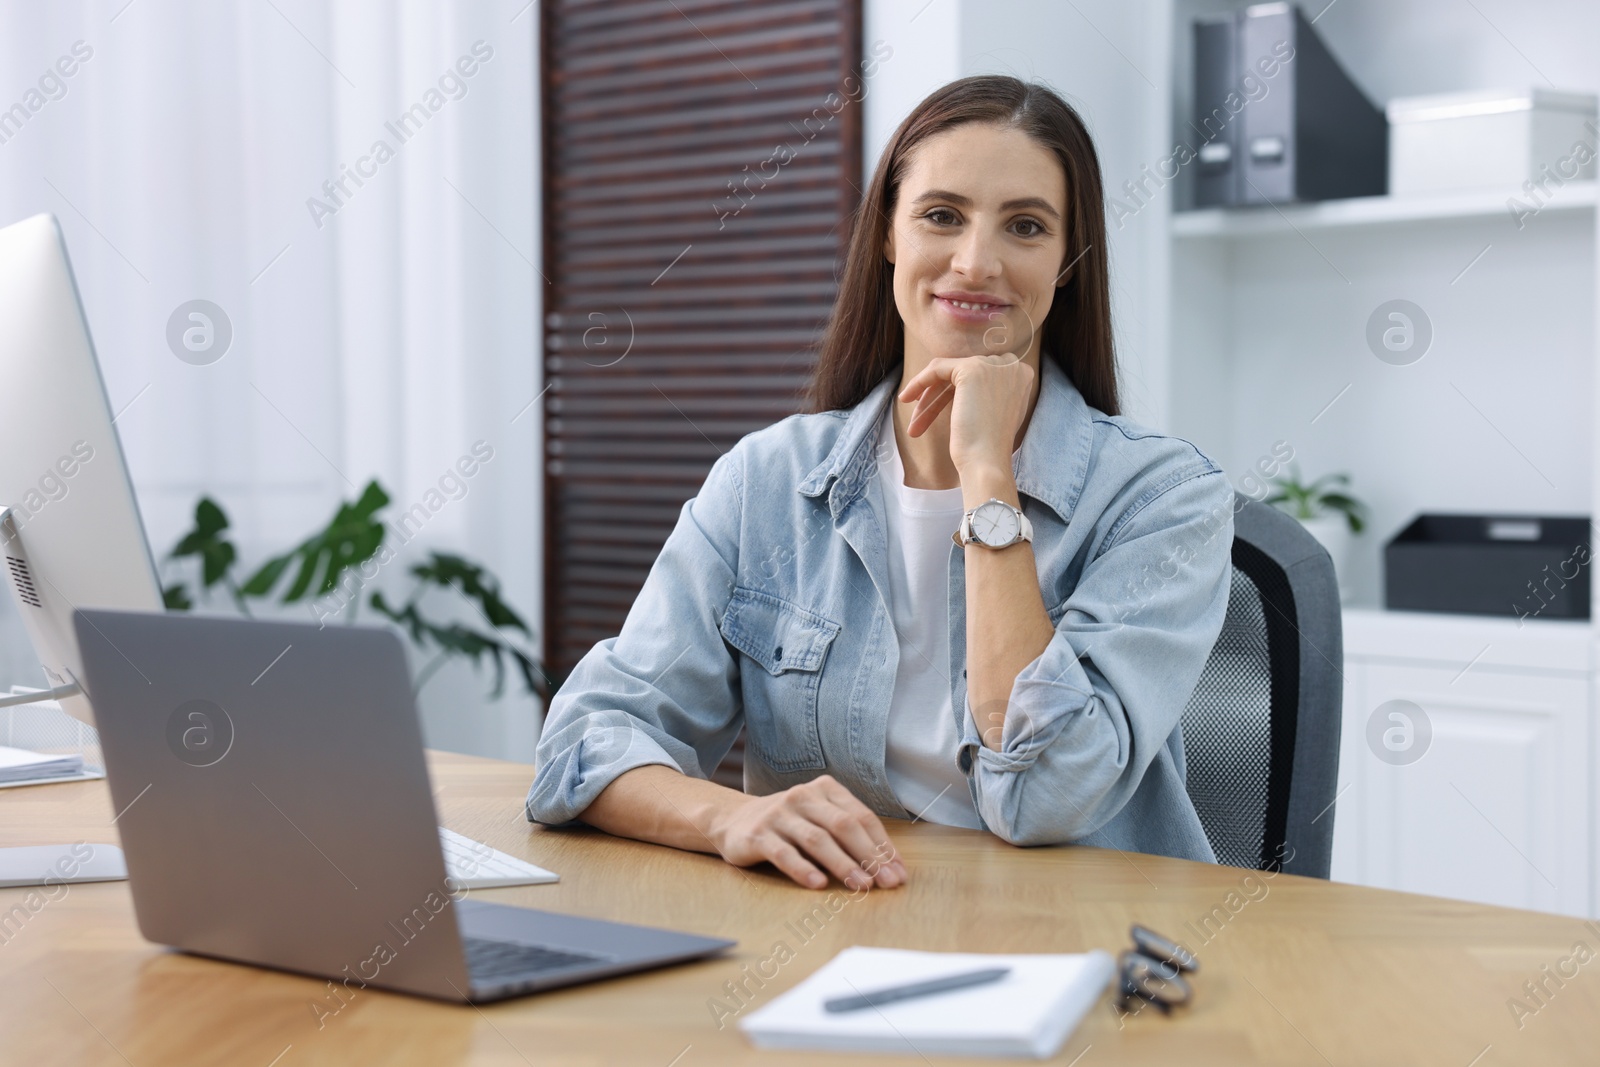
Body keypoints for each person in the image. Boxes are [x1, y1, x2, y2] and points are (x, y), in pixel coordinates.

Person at [527, 74, 1233, 892]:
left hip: (1086, 962)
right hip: (838, 941)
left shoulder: (1164, 497)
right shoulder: (767, 483)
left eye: (1027, 226)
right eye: (942, 215)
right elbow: (583, 743)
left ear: (1068, 263)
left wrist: (987, 478)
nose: (977, 262)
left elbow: (1043, 795)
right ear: (889, 237)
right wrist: (728, 815)